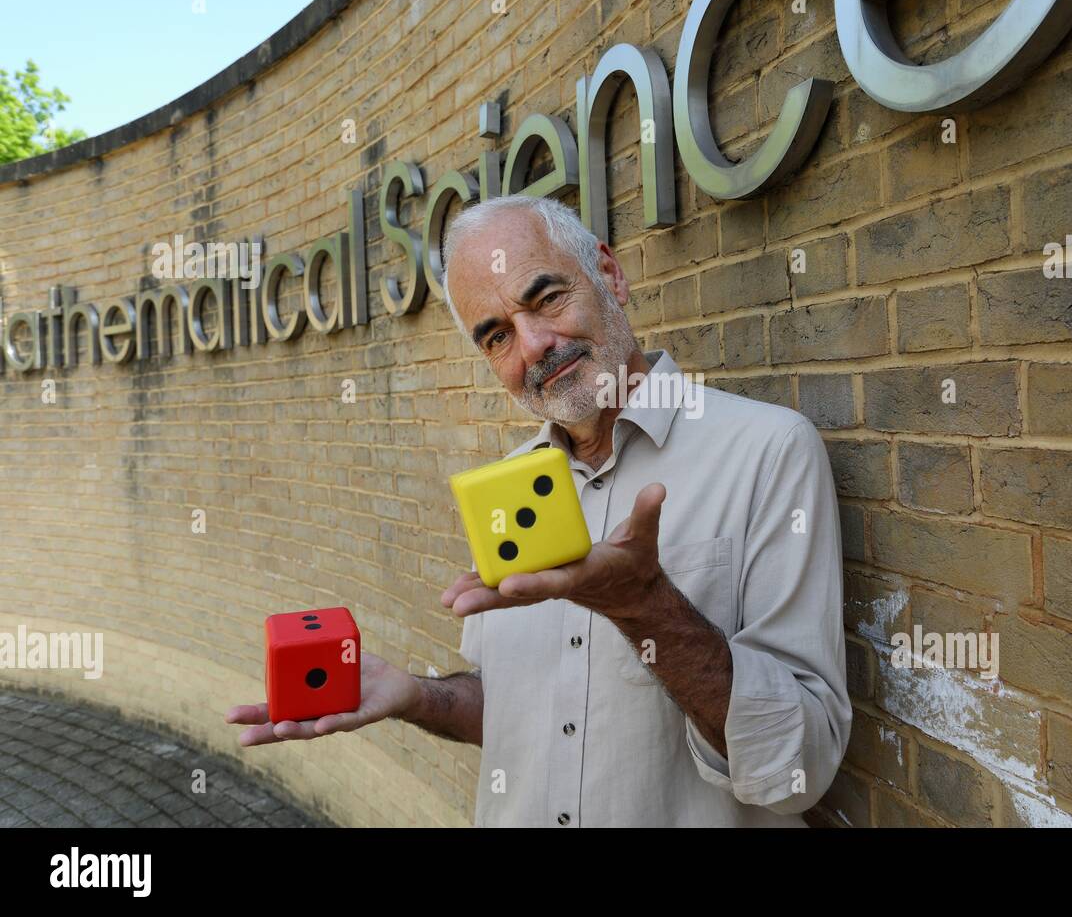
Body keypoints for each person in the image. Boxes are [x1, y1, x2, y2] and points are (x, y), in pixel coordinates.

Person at [227, 194, 851, 826]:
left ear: (609, 274)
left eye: (547, 298)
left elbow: (799, 766)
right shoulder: (504, 488)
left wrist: (645, 606)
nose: (534, 347)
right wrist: (417, 696)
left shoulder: (768, 451)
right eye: (497, 336)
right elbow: (523, 715)